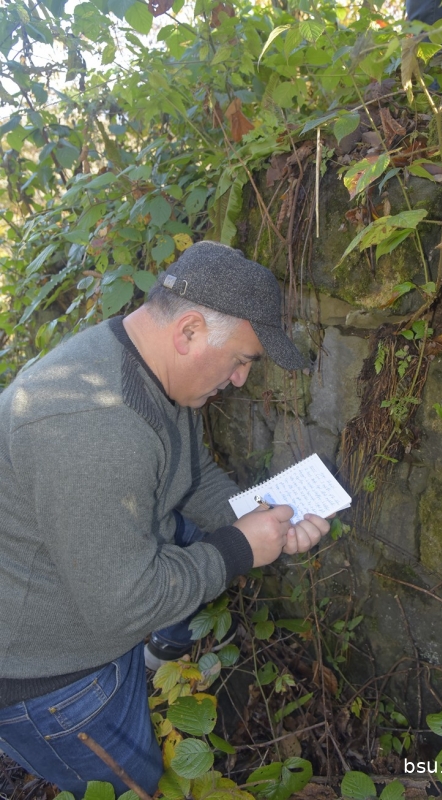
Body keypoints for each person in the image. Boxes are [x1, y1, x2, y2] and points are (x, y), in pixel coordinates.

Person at [0, 241, 331, 796]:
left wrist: (264, 517)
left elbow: (191, 475)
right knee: (140, 787)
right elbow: (123, 605)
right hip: (55, 679)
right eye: (242, 360)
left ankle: (157, 654)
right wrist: (240, 548)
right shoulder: (95, 430)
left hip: (91, 603)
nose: (241, 379)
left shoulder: (150, 368)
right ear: (190, 331)